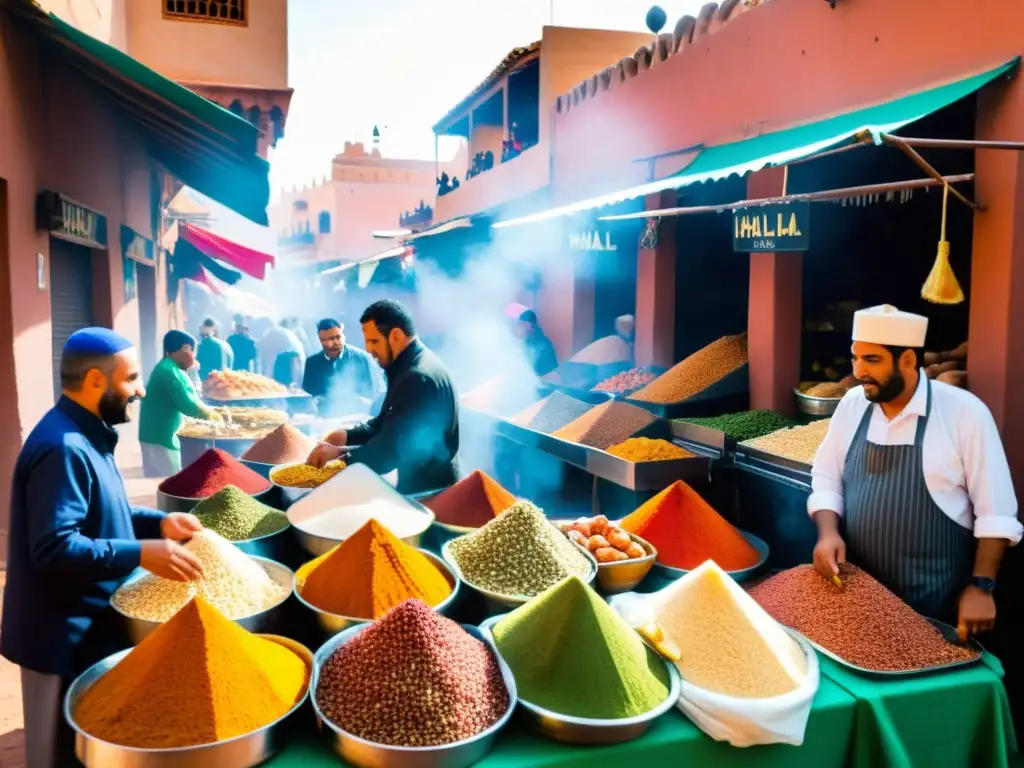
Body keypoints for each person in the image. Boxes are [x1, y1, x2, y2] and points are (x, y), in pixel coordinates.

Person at [1, 328, 205, 768]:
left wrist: (160, 522)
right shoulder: (64, 448)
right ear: (96, 381)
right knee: (58, 755)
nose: (142, 389)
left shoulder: (87, 431)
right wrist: (141, 553)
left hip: (85, 628)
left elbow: (105, 508)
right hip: (59, 640)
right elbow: (55, 548)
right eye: (131, 379)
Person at [809, 304, 1021, 638]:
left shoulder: (964, 413)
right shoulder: (853, 404)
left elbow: (996, 514)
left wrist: (982, 586)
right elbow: (826, 476)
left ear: (907, 359)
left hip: (934, 608)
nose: (859, 370)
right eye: (855, 357)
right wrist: (828, 532)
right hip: (856, 598)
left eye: (872, 360)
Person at [307, 299, 459, 494]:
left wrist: (341, 457)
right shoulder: (407, 365)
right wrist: (345, 436)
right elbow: (385, 422)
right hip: (420, 482)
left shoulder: (418, 377)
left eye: (374, 341)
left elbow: (392, 450)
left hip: (429, 491)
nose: (369, 350)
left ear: (395, 335)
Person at [139, 330, 223, 477]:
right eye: (193, 351)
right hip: (160, 439)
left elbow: (192, 395)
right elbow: (189, 406)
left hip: (161, 435)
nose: (194, 357)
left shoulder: (172, 368)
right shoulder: (169, 372)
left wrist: (209, 386)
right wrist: (217, 418)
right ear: (184, 349)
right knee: (167, 482)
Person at [302, 318, 384, 416]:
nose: (336, 342)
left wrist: (363, 403)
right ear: (321, 341)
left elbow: (377, 394)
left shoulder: (362, 358)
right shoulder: (311, 363)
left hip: (359, 418)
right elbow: (307, 397)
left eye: (338, 337)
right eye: (330, 339)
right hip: (324, 421)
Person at [260, 317, 304, 384]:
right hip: (286, 378)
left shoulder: (269, 334)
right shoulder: (291, 340)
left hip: (271, 378)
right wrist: (296, 382)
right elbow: (296, 365)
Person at [517, 309, 558, 376]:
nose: (522, 328)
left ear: (532, 325)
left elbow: (552, 370)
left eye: (525, 324)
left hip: (541, 381)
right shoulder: (525, 342)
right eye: (521, 325)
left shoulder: (544, 345)